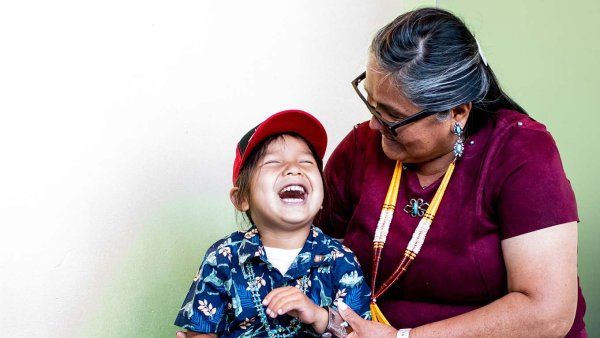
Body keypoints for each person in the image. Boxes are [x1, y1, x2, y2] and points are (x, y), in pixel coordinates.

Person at [317, 8, 586, 338]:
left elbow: (546, 314)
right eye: (371, 103)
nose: (373, 124)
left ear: (457, 112)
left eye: (390, 115)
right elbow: (311, 253)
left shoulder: (522, 153)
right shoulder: (362, 146)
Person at [174, 110, 371, 337]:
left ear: (323, 198)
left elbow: (361, 332)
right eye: (274, 162)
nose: (294, 168)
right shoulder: (223, 258)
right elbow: (200, 331)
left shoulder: (341, 260)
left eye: (306, 162)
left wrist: (319, 315)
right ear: (242, 199)